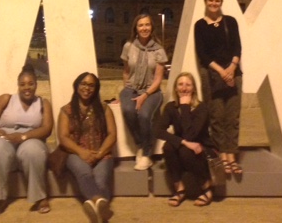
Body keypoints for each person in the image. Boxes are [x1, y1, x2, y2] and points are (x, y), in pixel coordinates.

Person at [0, 63, 53, 217]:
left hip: (31, 138)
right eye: (22, 84)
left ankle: (39, 197)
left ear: (36, 85)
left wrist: (23, 137)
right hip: (6, 138)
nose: (27, 87)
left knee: (33, 151)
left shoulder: (43, 103)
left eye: (30, 84)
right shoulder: (6, 99)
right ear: (18, 86)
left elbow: (47, 129)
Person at [194, 0, 243, 175]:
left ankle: (232, 156)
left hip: (233, 75)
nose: (214, 3)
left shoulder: (230, 22)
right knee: (216, 117)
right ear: (206, 2)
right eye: (211, 0)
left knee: (232, 117)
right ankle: (222, 155)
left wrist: (232, 68)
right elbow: (203, 54)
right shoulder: (200, 25)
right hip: (213, 77)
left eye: (217, 1)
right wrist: (222, 71)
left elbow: (238, 47)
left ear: (221, 3)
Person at [58, 72, 117, 223]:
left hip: (102, 152)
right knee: (85, 173)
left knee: (101, 180)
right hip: (74, 153)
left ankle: (95, 208)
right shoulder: (66, 110)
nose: (87, 88)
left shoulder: (104, 109)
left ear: (96, 89)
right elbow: (63, 137)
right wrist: (81, 152)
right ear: (77, 86)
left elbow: (112, 134)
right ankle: (100, 202)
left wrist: (100, 153)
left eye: (91, 85)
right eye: (83, 84)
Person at [155, 72, 214, 207]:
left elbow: (190, 135)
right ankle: (180, 189)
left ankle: (206, 186)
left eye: (188, 84)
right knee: (168, 147)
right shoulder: (171, 107)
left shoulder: (201, 108)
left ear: (194, 88)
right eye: (180, 84)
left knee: (185, 151)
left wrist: (185, 107)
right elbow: (158, 131)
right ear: (176, 88)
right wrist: (183, 142)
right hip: (185, 145)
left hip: (203, 148)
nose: (184, 88)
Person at [119, 13, 168, 170]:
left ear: (152, 27)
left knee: (144, 115)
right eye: (141, 25)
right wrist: (126, 91)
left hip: (151, 91)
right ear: (136, 28)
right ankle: (141, 144)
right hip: (131, 88)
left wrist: (144, 95)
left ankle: (147, 154)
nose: (144, 28)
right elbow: (126, 71)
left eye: (147, 25)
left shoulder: (159, 50)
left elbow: (158, 79)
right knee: (128, 110)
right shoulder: (129, 46)